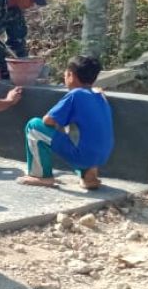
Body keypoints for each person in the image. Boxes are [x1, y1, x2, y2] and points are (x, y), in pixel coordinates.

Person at [20, 55, 113, 190]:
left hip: (83, 157)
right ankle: (89, 176)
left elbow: (48, 120)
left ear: (70, 75)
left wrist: (59, 126)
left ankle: (41, 176)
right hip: (102, 156)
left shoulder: (75, 95)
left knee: (34, 126)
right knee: (79, 132)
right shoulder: (99, 95)